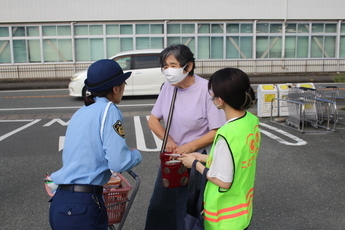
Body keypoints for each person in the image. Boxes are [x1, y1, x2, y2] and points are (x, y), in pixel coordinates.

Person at [49, 59, 142, 230]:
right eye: (124, 83)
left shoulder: (81, 112)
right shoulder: (109, 111)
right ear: (116, 88)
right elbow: (119, 162)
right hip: (83, 206)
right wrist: (136, 155)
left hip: (60, 201)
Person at [144, 44, 226, 230]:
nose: (168, 71)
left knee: (189, 209)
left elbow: (216, 130)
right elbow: (153, 120)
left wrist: (189, 147)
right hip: (172, 158)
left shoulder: (207, 90)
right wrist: (169, 141)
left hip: (196, 160)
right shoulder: (168, 87)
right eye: (165, 66)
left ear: (188, 66)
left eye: (173, 65)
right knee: (161, 206)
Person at [178, 67, 261, 230]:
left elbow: (223, 181)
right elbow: (237, 159)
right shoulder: (251, 121)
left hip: (222, 216)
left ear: (220, 100)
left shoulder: (226, 133)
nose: (210, 96)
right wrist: (203, 157)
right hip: (243, 207)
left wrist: (195, 165)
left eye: (212, 92)